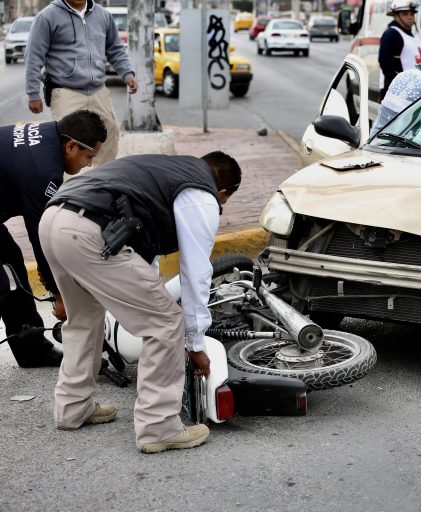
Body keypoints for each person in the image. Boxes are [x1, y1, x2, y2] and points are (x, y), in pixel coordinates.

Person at [38, 151, 241, 454]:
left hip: (55, 219)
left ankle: (72, 407)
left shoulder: (165, 171)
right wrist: (195, 344)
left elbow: (146, 257)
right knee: (166, 322)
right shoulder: (202, 194)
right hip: (89, 231)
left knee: (83, 319)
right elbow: (196, 272)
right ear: (223, 192)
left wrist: (150, 297)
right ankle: (158, 427)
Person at [0, 110, 106, 368]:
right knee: (3, 281)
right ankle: (31, 348)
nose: (88, 164)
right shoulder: (43, 169)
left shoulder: (47, 136)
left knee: (11, 262)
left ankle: (32, 349)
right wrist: (59, 294)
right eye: (88, 156)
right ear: (71, 146)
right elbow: (42, 238)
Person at [25, 0, 139, 166]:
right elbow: (34, 56)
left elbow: (115, 49)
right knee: (67, 144)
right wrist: (33, 93)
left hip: (98, 90)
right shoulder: (47, 16)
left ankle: (102, 183)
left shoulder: (103, 15)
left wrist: (127, 73)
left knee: (109, 133)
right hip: (66, 91)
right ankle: (70, 190)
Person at [378, 0, 421, 100]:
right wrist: (399, 87)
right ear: (395, 16)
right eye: (405, 14)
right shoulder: (392, 34)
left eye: (412, 13)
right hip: (399, 94)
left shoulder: (413, 35)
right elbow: (385, 62)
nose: (410, 17)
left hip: (413, 92)